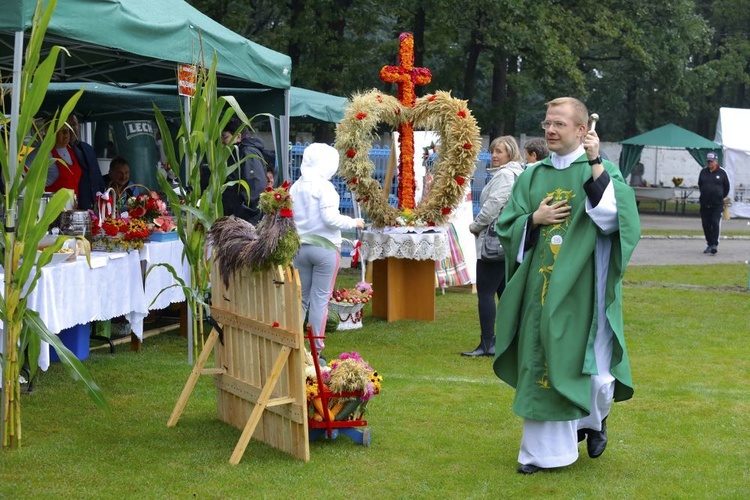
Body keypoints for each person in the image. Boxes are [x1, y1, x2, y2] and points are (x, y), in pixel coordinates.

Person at [493, 97, 641, 474]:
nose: (550, 131)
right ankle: (539, 454)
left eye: (559, 124)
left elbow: (615, 220)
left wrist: (594, 163)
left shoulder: (599, 169)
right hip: (540, 292)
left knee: (594, 372)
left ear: (581, 130)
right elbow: (507, 228)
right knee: (540, 361)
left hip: (584, 289)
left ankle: (594, 419)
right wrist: (534, 219)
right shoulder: (532, 175)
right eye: (546, 124)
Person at [290, 143, 364, 362]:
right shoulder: (325, 187)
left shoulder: (296, 187)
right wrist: (355, 222)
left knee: (300, 299)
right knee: (320, 299)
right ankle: (316, 350)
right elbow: (330, 219)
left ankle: (293, 344)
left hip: (300, 247)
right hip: (325, 248)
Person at [462, 136, 524, 357]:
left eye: (499, 151)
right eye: (493, 151)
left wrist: (475, 225)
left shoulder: (506, 175)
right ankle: (508, 341)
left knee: (486, 293)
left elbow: (493, 205)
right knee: (504, 293)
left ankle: (488, 343)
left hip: (494, 240)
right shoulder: (518, 172)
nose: (494, 155)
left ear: (510, 153)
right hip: (507, 239)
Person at [220, 121, 267, 225]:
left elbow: (255, 189)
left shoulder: (247, 153)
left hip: (245, 222)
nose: (222, 142)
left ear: (238, 136)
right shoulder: (236, 155)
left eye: (225, 137)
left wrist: (241, 216)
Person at [67, 114, 106, 210]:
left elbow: (97, 175)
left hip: (94, 206)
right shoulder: (61, 152)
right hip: (74, 207)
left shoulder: (87, 148)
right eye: (68, 125)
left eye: (74, 125)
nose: (72, 129)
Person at [698, 152, 730, 255]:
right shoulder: (703, 172)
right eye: (708, 161)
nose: (710, 163)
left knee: (715, 223)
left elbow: (727, 187)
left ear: (716, 161)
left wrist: (720, 196)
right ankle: (709, 243)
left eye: (711, 161)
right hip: (704, 203)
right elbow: (700, 185)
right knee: (706, 225)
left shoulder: (722, 172)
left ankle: (714, 244)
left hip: (717, 204)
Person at [46, 123, 82, 198]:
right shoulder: (46, 154)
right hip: (55, 207)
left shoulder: (73, 151)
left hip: (73, 206)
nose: (66, 133)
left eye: (68, 130)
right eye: (62, 130)